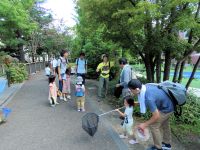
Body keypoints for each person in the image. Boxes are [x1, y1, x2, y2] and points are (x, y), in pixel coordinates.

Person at [128, 79, 174, 150]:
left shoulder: (148, 97)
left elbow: (156, 116)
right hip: (169, 104)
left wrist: (144, 124)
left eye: (131, 90)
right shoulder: (145, 87)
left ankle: (158, 147)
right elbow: (145, 100)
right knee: (165, 124)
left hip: (166, 108)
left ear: (137, 89)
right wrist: (135, 103)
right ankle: (167, 145)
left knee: (154, 125)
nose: (130, 91)